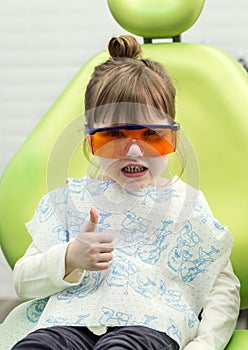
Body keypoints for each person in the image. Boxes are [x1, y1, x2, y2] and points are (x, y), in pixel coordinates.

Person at [0, 35, 240, 350]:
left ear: (174, 141)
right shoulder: (71, 202)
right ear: (90, 142)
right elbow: (23, 280)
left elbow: (222, 289)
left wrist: (206, 344)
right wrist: (70, 257)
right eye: (113, 135)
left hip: (148, 326)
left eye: (151, 135)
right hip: (68, 323)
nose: (134, 152)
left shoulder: (186, 205)